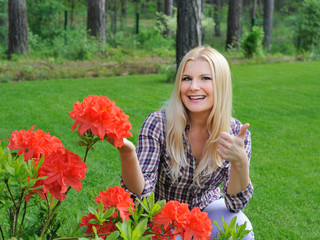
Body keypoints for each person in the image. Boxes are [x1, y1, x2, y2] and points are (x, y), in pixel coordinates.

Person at [114, 46, 254, 239]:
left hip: (206, 208)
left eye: (205, 78)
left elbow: (235, 204)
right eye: (186, 78)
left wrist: (241, 162)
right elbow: (141, 195)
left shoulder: (235, 133)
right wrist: (127, 153)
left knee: (240, 226)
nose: (193, 87)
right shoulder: (157, 123)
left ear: (221, 84)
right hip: (162, 212)